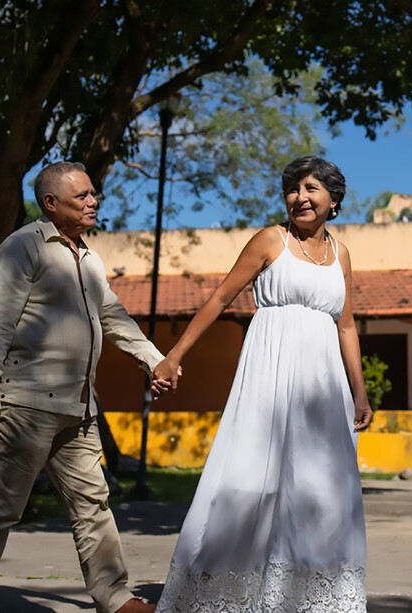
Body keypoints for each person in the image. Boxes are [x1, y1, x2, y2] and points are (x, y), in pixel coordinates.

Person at [151, 156, 373, 612]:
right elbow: (219, 297)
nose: (300, 197)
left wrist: (360, 390)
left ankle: (307, 597)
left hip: (322, 382)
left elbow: (346, 325)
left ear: (334, 200)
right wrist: (174, 354)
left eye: (311, 188)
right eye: (293, 189)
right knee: (250, 476)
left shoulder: (341, 254)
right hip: (270, 368)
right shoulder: (272, 239)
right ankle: (226, 592)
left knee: (320, 486)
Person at [0, 161, 169, 613]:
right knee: (0, 508)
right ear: (51, 203)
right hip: (26, 406)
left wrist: (154, 359)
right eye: (82, 196)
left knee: (94, 505)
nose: (93, 202)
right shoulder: (21, 249)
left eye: (93, 194)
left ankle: (114, 596)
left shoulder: (88, 257)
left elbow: (112, 317)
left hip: (80, 407)